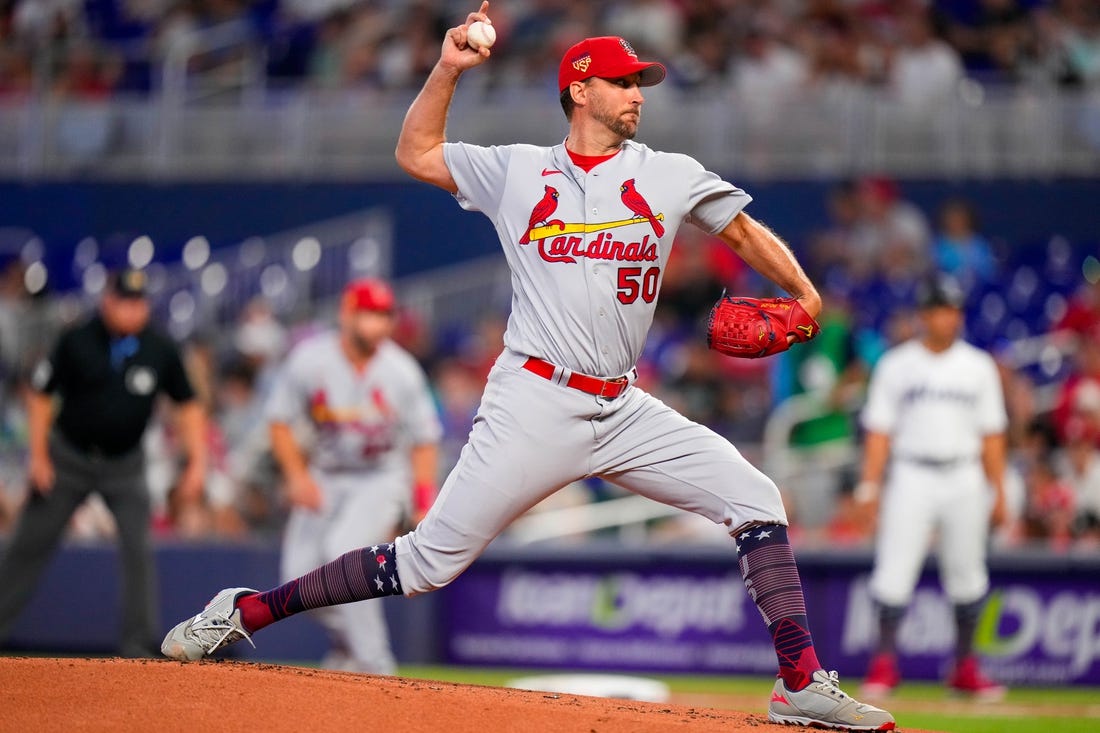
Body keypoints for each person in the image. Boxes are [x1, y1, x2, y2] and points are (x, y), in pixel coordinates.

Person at [162, 6, 894, 730]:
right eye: (623, 81)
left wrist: (802, 292)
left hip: (623, 405)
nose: (639, 93)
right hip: (535, 400)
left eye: (641, 82)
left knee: (756, 495)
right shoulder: (517, 170)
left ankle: (799, 681)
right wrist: (449, 66)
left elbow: (738, 227)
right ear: (579, 90)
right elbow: (416, 153)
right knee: (423, 565)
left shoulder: (668, 174)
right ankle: (244, 608)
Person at [0, 267, 207, 657]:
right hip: (68, 459)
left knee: (138, 549)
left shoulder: (159, 348)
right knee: (27, 546)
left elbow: (188, 405)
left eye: (139, 302)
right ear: (107, 301)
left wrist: (197, 462)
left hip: (124, 466)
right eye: (125, 301)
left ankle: (138, 645)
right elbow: (41, 396)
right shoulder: (78, 340)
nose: (132, 310)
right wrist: (39, 456)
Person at [266, 277, 442, 674]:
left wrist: (422, 498)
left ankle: (376, 666)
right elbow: (278, 422)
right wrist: (295, 475)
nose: (378, 325)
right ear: (347, 313)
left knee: (343, 554)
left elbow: (425, 440)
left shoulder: (401, 370)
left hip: (380, 477)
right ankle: (348, 648)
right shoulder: (310, 360)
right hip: (325, 475)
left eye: (384, 316)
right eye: (369, 314)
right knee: (296, 579)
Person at [855, 274, 1009, 701]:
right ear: (925, 314)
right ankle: (884, 665)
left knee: (967, 572)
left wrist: (1000, 491)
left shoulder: (977, 366)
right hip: (912, 472)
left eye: (954, 309)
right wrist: (869, 488)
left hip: (963, 473)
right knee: (894, 569)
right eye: (940, 309)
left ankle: (965, 666)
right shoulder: (896, 364)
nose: (948, 317)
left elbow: (992, 434)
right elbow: (879, 432)